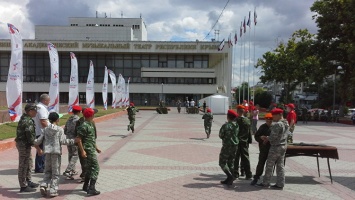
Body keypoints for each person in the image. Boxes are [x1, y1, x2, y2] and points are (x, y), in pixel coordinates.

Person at [36, 112, 75, 197]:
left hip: (47, 153)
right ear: (57, 119)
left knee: (47, 170)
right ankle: (53, 190)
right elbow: (63, 141)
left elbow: (39, 140)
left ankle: (44, 185)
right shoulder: (59, 129)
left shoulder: (45, 129)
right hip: (56, 153)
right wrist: (74, 141)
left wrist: (33, 142)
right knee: (56, 172)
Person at [256, 108, 289, 190]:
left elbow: (273, 137)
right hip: (283, 146)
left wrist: (266, 138)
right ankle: (280, 183)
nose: (273, 118)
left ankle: (265, 182)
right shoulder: (286, 123)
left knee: (269, 165)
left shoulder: (278, 124)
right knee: (280, 166)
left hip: (275, 147)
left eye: (274, 116)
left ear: (279, 115)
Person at [15, 103, 41, 192]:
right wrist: (38, 149)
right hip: (23, 145)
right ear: (30, 111)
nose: (36, 113)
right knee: (23, 165)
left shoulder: (26, 118)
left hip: (25, 145)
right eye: (35, 111)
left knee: (29, 163)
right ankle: (23, 186)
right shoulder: (27, 121)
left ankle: (28, 181)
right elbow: (30, 138)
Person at [76, 108, 102, 195]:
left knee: (90, 168)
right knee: (96, 168)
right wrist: (82, 151)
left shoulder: (90, 124)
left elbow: (91, 138)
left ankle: (86, 186)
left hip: (91, 148)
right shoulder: (84, 125)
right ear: (91, 115)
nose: (94, 115)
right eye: (93, 114)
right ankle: (92, 188)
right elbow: (78, 139)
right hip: (87, 150)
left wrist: (96, 147)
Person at [250, 113, 273, 185]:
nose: (268, 121)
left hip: (272, 149)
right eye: (267, 120)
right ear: (265, 120)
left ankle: (267, 179)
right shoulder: (262, 127)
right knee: (261, 164)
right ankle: (256, 178)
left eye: (270, 120)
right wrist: (261, 138)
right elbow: (256, 136)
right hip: (263, 149)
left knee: (270, 165)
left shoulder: (274, 127)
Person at [219, 109, 239, 185]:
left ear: (228, 117)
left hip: (227, 146)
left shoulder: (226, 125)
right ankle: (231, 177)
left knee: (222, 162)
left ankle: (230, 176)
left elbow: (221, 135)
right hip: (235, 146)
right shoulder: (236, 125)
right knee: (231, 162)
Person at [63, 105, 82, 179]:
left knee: (70, 154)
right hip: (75, 139)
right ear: (79, 112)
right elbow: (79, 131)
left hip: (68, 138)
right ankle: (68, 170)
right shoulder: (78, 120)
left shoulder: (69, 119)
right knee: (75, 155)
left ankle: (72, 170)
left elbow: (65, 130)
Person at [234, 105, 252, 180]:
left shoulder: (235, 120)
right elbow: (249, 132)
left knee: (236, 158)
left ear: (237, 111)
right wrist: (249, 140)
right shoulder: (247, 121)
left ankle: (235, 174)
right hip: (244, 142)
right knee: (245, 158)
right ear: (243, 111)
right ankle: (248, 174)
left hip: (236, 142)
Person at [34, 93, 50, 173]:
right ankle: (39, 167)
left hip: (39, 131)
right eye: (48, 101)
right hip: (41, 132)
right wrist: (50, 129)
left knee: (42, 149)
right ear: (44, 100)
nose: (49, 102)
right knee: (41, 150)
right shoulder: (41, 108)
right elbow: (43, 121)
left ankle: (41, 166)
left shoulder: (39, 107)